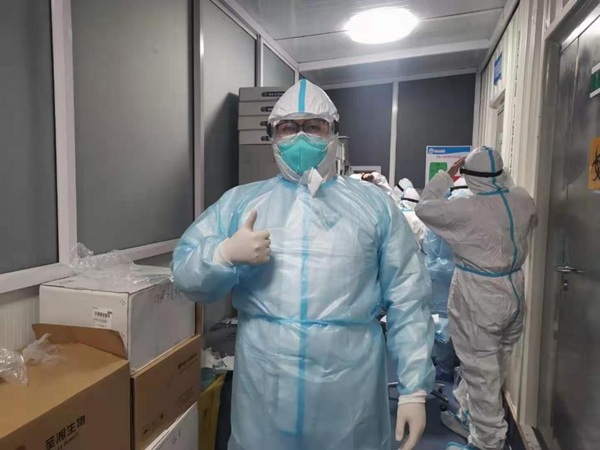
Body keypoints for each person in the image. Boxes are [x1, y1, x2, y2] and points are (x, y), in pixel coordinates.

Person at [172, 79, 434, 450]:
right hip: (266, 387)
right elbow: (184, 272)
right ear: (272, 136)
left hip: (348, 392)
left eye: (313, 126)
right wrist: (222, 254)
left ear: (333, 133)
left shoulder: (374, 207)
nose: (300, 137)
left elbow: (408, 295)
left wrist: (413, 388)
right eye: (288, 128)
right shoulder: (240, 204)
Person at [415, 147, 537, 450]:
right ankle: (474, 416)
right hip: (514, 289)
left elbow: (424, 207)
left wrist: (446, 176)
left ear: (467, 176)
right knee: (495, 364)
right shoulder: (522, 199)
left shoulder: (465, 208)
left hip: (480, 294)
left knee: (481, 371)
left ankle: (487, 443)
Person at [422, 178, 472, 386]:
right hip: (469, 277)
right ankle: (463, 370)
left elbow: (429, 246)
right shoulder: (478, 213)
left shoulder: (441, 214)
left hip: (440, 277)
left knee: (442, 320)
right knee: (467, 323)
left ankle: (444, 368)